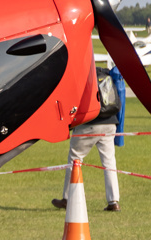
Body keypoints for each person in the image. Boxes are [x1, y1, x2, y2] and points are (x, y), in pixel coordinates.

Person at [53, 67, 123, 212]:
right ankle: (113, 201)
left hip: (89, 125)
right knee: (109, 162)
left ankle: (67, 198)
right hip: (110, 123)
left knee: (75, 159)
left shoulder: (79, 77)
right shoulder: (104, 73)